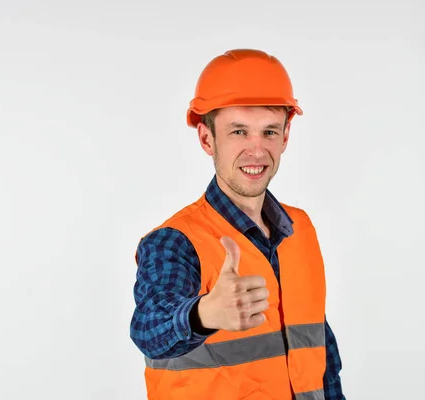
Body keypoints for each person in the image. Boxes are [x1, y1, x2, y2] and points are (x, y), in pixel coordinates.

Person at [130, 48, 345, 400]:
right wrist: (201, 313)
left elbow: (321, 355)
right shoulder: (175, 241)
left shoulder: (300, 229)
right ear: (207, 139)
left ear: (286, 137)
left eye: (270, 132)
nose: (257, 151)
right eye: (240, 132)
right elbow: (148, 328)